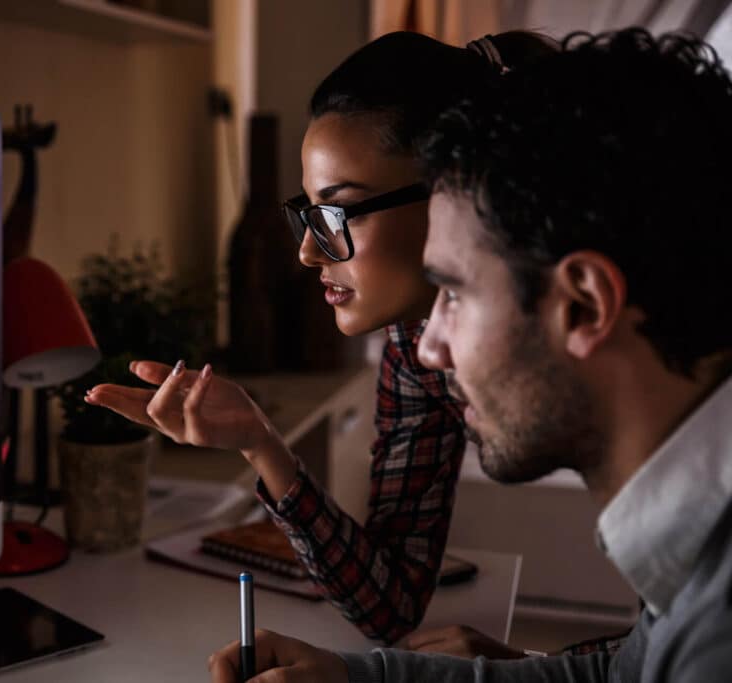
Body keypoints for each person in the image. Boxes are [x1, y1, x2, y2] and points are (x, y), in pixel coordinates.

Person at [205, 27, 732, 683]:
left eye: (453, 290)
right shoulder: (693, 562)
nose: (429, 349)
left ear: (584, 304)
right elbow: (632, 669)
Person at [86, 30, 612, 659]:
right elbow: (389, 603)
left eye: (340, 211)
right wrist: (260, 442)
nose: (308, 253)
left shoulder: (629, 353)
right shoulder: (415, 347)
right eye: (308, 213)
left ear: (463, 194)